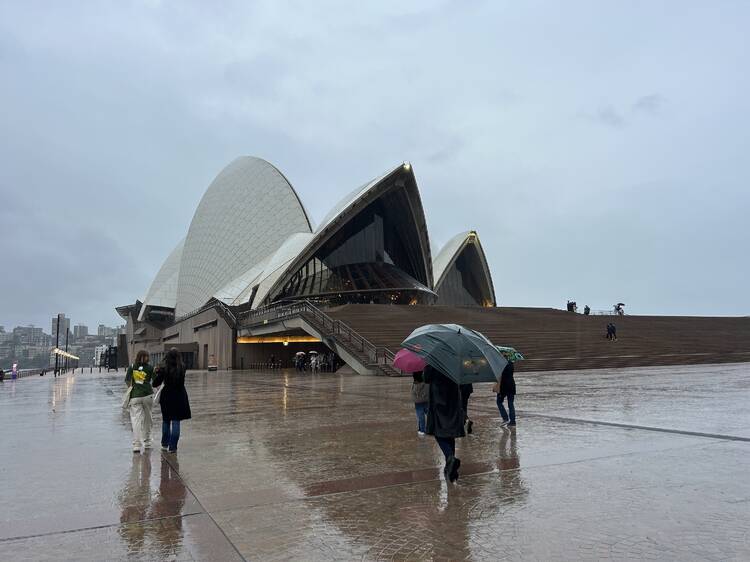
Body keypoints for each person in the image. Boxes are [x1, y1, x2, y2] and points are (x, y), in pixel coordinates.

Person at [424, 364, 465, 482]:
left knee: (437, 431)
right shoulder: (453, 359)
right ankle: (450, 467)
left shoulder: (433, 360)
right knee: (450, 432)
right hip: (453, 397)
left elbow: (426, 378)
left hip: (438, 399)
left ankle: (450, 457)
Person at [153, 348, 191, 453]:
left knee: (166, 420)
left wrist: (158, 372)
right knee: (176, 421)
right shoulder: (182, 368)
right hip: (179, 396)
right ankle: (173, 447)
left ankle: (164, 444)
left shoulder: (164, 369)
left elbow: (155, 383)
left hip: (167, 397)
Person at [125, 350, 155, 453]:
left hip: (135, 396)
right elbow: (155, 382)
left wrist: (132, 388)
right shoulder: (150, 368)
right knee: (148, 419)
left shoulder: (132, 367)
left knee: (136, 420)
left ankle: (136, 445)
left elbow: (127, 380)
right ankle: (147, 442)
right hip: (148, 395)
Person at [496, 359, 516, 426]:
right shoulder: (511, 364)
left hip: (503, 387)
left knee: (499, 402)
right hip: (512, 385)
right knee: (511, 404)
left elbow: (500, 376)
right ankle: (512, 421)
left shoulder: (501, 364)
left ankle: (505, 418)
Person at [411, 371, 429, 435]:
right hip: (427, 401)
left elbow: (413, 394)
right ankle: (431, 428)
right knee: (429, 415)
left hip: (418, 403)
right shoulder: (427, 383)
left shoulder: (415, 385)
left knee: (420, 416)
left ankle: (422, 430)